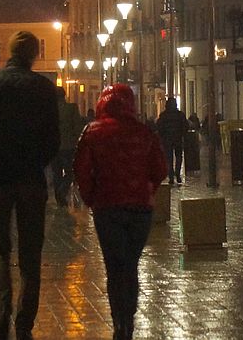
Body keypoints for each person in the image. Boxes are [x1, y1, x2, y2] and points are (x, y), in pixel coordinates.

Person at [0, 31, 60, 340]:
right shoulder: (44, 89)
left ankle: (2, 316)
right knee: (31, 254)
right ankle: (24, 324)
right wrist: (38, 162)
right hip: (31, 179)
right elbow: (54, 138)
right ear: (32, 55)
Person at [75, 84, 166, 340]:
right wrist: (147, 189)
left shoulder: (92, 133)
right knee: (131, 263)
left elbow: (81, 170)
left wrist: (90, 197)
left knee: (114, 266)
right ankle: (129, 316)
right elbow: (160, 168)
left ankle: (120, 322)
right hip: (140, 210)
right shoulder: (144, 132)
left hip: (107, 209)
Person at [51, 87, 84, 206]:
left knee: (56, 173)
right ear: (64, 95)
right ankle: (62, 192)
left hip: (54, 147)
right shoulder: (71, 108)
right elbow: (77, 127)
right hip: (68, 147)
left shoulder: (50, 110)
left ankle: (58, 196)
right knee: (70, 173)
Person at [155, 96, 189, 185]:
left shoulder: (163, 115)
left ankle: (171, 176)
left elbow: (159, 126)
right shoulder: (180, 115)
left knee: (169, 158)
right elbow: (185, 126)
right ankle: (177, 174)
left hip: (167, 140)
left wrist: (162, 136)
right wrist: (182, 134)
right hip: (177, 139)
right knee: (179, 157)